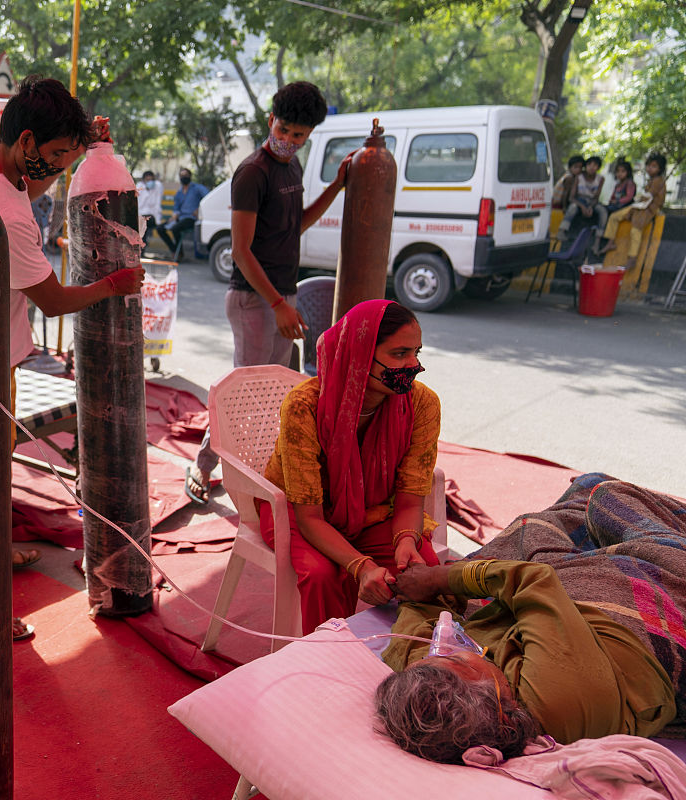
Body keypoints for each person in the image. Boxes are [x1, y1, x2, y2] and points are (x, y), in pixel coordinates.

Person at [0, 75, 144, 640]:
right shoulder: (11, 217)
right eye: (59, 156)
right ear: (25, 141)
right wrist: (114, 283)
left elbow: (30, 189)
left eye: (72, 157)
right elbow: (55, 300)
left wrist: (85, 146)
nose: (63, 170)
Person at [376, 474, 686, 763]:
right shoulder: (554, 701)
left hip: (560, 627)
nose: (443, 644)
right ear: (500, 706)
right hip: (637, 618)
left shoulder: (441, 694)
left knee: (556, 513)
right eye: (457, 660)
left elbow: (408, 641)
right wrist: (437, 580)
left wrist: (413, 588)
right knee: (606, 495)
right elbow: (535, 582)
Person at [185, 81, 350, 505]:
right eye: (285, 130)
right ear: (270, 120)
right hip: (254, 300)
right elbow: (240, 251)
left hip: (281, 298)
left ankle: (262, 475)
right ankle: (205, 467)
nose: (290, 140)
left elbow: (295, 227)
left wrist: (335, 187)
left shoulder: (291, 169)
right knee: (244, 398)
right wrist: (277, 304)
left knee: (276, 397)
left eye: (300, 135)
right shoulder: (253, 172)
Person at [259, 299, 441, 634]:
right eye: (400, 354)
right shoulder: (305, 406)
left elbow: (411, 501)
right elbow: (309, 517)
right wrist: (361, 565)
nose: (414, 365)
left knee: (424, 569)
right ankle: (332, 666)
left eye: (417, 352)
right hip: (297, 512)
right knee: (322, 574)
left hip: (373, 512)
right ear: (359, 355)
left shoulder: (422, 404)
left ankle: (411, 662)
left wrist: (405, 542)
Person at [599, 152, 668, 270]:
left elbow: (648, 197)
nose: (650, 168)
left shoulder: (658, 181)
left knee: (636, 229)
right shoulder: (652, 180)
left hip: (650, 209)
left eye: (654, 166)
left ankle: (632, 258)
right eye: (649, 165)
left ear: (660, 169)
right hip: (641, 206)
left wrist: (637, 202)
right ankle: (611, 242)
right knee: (615, 217)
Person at [155, 167, 207, 261]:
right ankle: (175, 251)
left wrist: (199, 209)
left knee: (175, 229)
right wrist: (174, 215)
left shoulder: (197, 188)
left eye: (186, 175)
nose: (184, 177)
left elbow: (208, 197)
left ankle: (179, 254)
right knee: (160, 228)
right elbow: (176, 208)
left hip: (191, 218)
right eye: (182, 176)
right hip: (180, 218)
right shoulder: (179, 192)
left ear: (190, 176)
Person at [554, 155, 607, 243]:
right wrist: (582, 207)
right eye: (590, 164)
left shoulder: (600, 179)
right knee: (573, 207)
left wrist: (590, 207)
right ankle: (562, 231)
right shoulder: (579, 177)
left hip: (592, 202)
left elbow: (596, 198)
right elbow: (571, 197)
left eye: (595, 165)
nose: (592, 167)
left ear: (598, 167)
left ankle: (598, 239)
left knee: (603, 211)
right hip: (579, 200)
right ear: (586, 166)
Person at [136, 170, 163, 255]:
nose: (149, 182)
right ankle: (140, 250)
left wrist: (158, 221)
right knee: (141, 223)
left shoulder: (157, 187)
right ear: (143, 180)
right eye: (147, 180)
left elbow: (157, 205)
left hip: (152, 217)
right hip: (140, 215)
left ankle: (141, 250)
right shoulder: (140, 187)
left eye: (151, 180)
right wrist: (145, 190)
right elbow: (139, 204)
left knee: (143, 223)